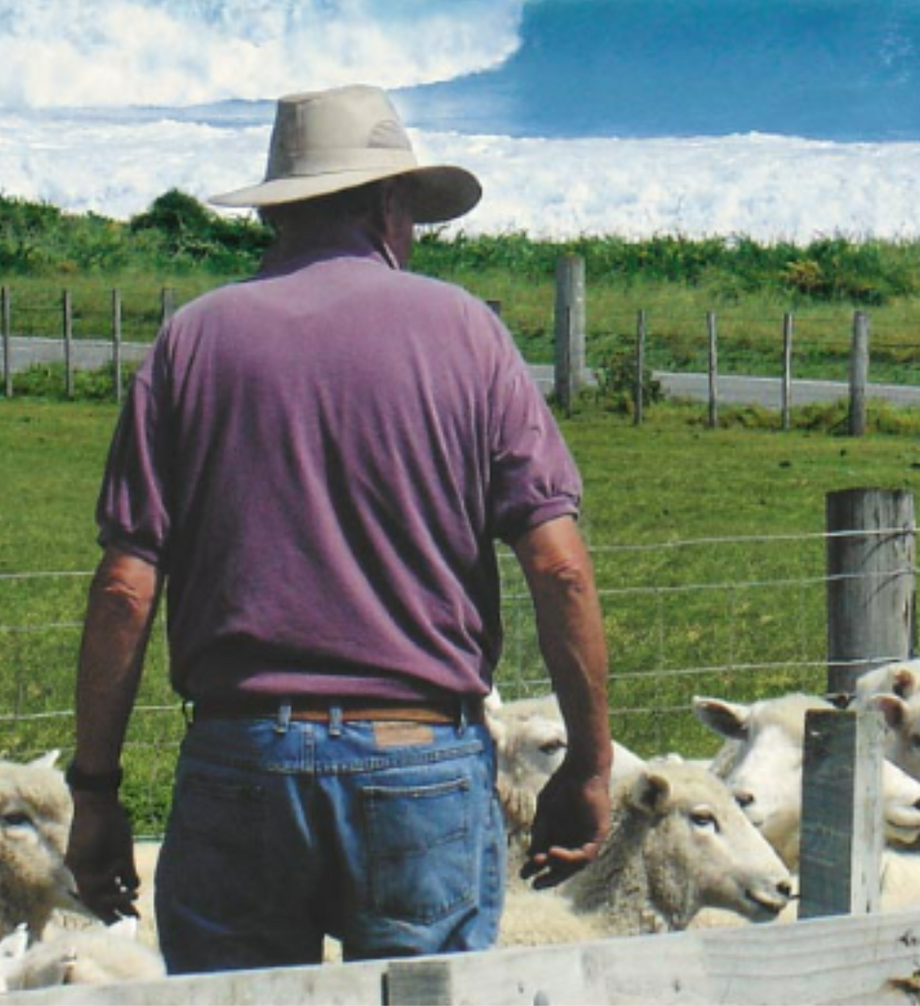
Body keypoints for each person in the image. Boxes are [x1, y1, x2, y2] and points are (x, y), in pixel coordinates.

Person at [63, 83, 612, 973]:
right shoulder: (469, 336)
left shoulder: (190, 343)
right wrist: (588, 764)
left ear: (280, 209)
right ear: (390, 202)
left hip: (240, 751)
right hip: (418, 753)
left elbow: (126, 587)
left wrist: (95, 792)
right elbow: (559, 571)